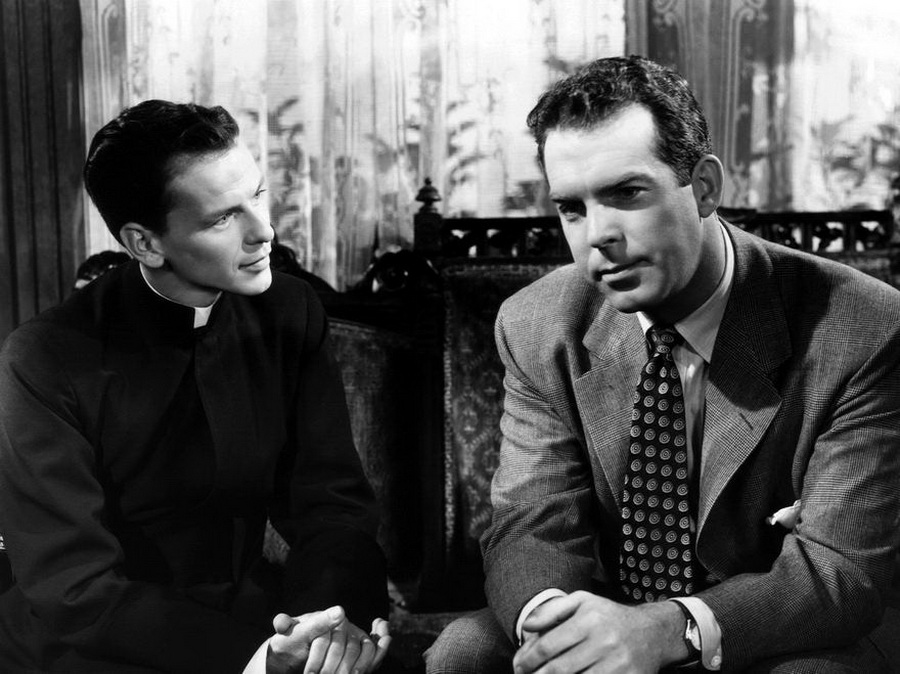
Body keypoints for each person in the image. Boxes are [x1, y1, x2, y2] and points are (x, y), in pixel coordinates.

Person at [425, 55, 900, 672]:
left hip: (774, 627)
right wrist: (561, 624)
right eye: (572, 208)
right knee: (464, 653)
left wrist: (668, 629)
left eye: (626, 194)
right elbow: (533, 519)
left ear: (703, 188)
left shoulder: (863, 327)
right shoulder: (535, 324)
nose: (597, 235)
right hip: (606, 606)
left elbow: (841, 571)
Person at [0, 99, 392, 673]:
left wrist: (323, 630)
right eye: (222, 218)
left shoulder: (290, 311)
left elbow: (331, 506)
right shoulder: (43, 358)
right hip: (99, 645)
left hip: (260, 621)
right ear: (145, 243)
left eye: (257, 196)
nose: (264, 232)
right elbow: (73, 587)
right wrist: (255, 659)